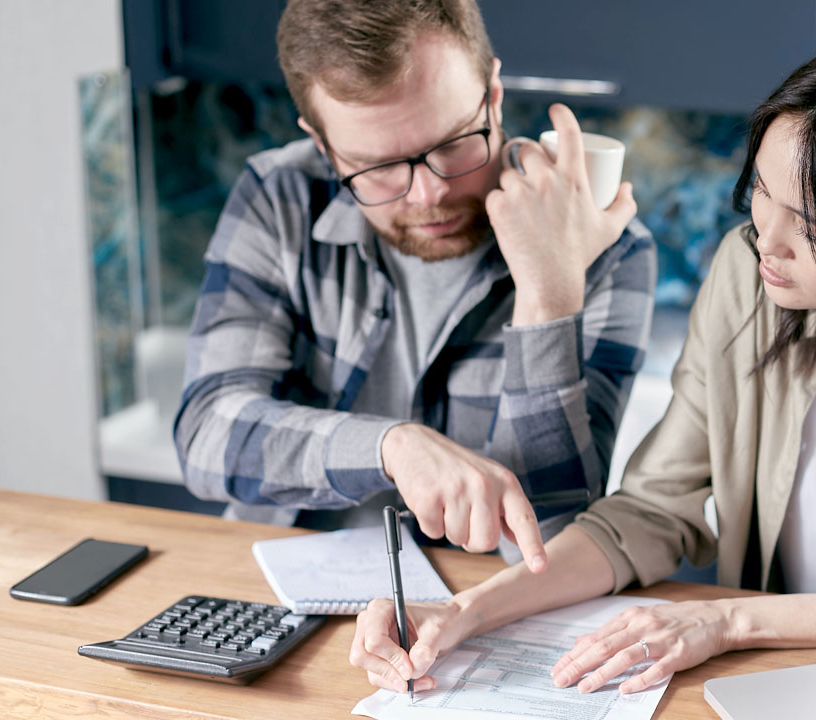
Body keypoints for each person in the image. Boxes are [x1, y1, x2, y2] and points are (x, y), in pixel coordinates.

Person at [349, 27, 816, 695]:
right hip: (773, 680)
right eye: (762, 195)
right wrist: (466, 611)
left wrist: (730, 623)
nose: (764, 240)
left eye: (808, 226)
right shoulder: (750, 275)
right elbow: (648, 511)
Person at [173, 0, 656, 571]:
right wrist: (392, 448)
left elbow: (553, 543)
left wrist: (547, 297)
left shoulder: (606, 246)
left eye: (453, 144)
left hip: (483, 611)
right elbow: (207, 433)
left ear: (493, 95)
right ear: (324, 145)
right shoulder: (279, 197)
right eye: (377, 167)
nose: (429, 195)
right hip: (284, 586)